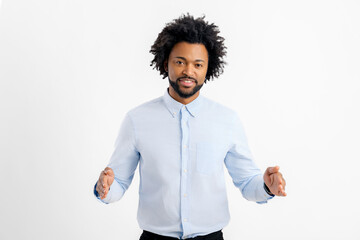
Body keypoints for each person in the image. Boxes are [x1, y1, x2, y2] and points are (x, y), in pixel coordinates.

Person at [94, 14, 286, 240]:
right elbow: (119, 183)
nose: (188, 71)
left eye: (198, 64)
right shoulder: (137, 120)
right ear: (166, 62)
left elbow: (246, 182)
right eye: (180, 62)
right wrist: (105, 188)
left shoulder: (227, 120)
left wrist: (266, 186)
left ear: (208, 68)